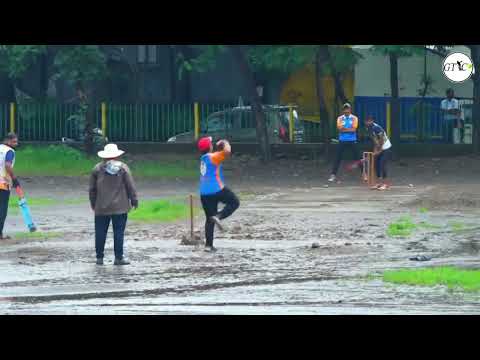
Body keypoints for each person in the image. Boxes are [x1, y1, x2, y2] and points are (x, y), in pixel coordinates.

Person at [89, 144, 138, 265]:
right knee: (118, 232)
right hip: (120, 207)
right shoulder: (123, 168)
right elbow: (130, 186)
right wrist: (134, 199)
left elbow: (92, 189)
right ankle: (118, 258)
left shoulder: (97, 169)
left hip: (101, 206)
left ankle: (99, 258)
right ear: (116, 155)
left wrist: (93, 203)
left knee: (100, 232)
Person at [198, 137, 240, 253]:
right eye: (211, 143)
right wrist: (224, 142)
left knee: (209, 219)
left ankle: (208, 246)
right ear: (210, 147)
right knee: (235, 202)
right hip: (216, 189)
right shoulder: (213, 157)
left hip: (204, 193)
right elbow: (227, 151)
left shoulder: (203, 158)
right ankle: (219, 216)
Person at [329, 103, 364, 183]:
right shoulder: (340, 118)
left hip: (352, 140)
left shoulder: (354, 118)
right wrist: (348, 129)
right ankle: (333, 175)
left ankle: (364, 173)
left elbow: (354, 130)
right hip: (342, 140)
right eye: (345, 109)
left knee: (358, 157)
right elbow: (340, 129)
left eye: (348, 108)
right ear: (343, 110)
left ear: (350, 109)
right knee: (337, 158)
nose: (346, 110)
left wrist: (345, 129)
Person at [0, 133, 20, 241]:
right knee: (2, 209)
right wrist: (14, 178)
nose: (16, 144)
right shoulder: (9, 151)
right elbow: (7, 165)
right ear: (7, 141)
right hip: (2, 183)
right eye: (14, 142)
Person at [365, 116, 393, 191]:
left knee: (382, 164)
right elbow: (375, 141)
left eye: (369, 121)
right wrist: (375, 151)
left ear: (372, 121)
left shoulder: (376, 127)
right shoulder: (368, 129)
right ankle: (378, 184)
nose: (368, 122)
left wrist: (379, 150)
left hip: (386, 147)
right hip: (380, 148)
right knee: (376, 164)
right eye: (366, 121)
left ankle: (386, 184)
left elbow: (382, 139)